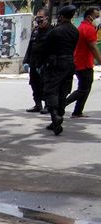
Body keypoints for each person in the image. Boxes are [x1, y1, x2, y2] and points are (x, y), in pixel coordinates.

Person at [42, 5, 79, 135]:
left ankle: (55, 116)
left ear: (61, 16)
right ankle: (57, 119)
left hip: (57, 64)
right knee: (63, 91)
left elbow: (46, 48)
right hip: (70, 63)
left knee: (51, 90)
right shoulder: (75, 31)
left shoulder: (56, 31)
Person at [66, 6, 101, 118]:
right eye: (97, 17)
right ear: (90, 17)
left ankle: (77, 111)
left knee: (85, 88)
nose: (98, 19)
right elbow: (93, 47)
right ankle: (61, 105)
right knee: (83, 89)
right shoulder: (89, 29)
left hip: (80, 62)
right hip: (84, 63)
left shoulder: (81, 27)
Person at [23, 9, 51, 113]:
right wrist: (26, 61)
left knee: (46, 85)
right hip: (34, 62)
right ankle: (37, 104)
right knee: (34, 84)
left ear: (46, 18)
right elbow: (30, 47)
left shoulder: (51, 31)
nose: (38, 20)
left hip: (45, 63)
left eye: (40, 17)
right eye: (37, 17)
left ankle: (48, 105)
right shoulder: (35, 31)